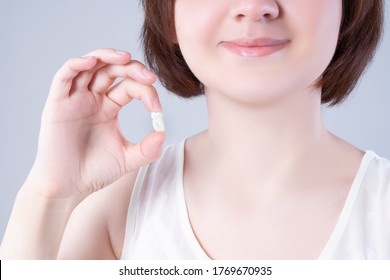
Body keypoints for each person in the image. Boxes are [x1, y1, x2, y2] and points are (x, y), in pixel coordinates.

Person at [0, 0, 388, 260]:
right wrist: (49, 195)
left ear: (348, 11)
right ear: (169, 16)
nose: (254, 7)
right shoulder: (113, 213)